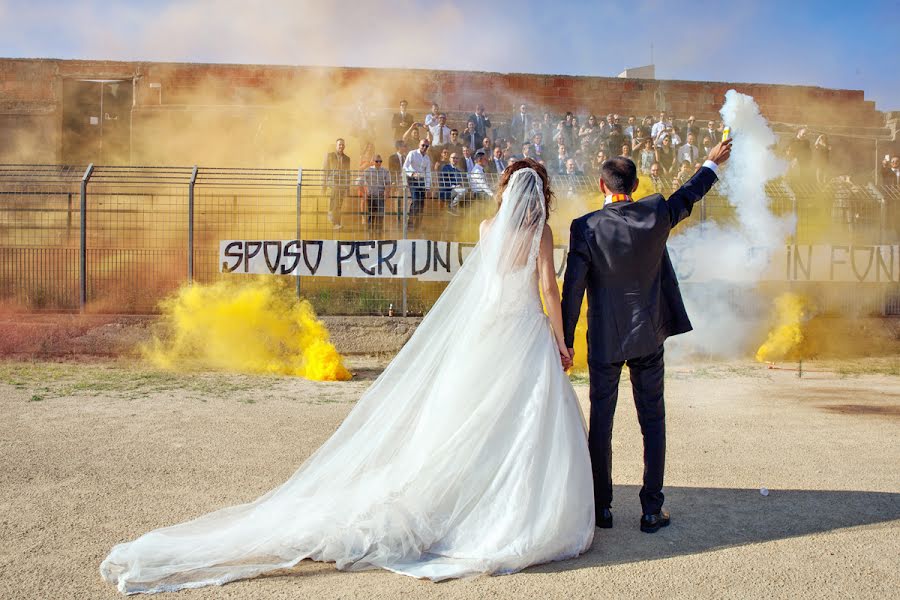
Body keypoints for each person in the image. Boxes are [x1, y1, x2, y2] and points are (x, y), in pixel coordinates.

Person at [100, 160, 594, 594]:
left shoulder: (489, 229)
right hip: (522, 330)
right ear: (540, 196)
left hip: (486, 332)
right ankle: (499, 502)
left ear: (505, 192)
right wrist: (560, 338)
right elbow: (548, 288)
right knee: (520, 418)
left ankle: (459, 495)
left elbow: (484, 284)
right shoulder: (541, 234)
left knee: (467, 418)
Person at [560, 139, 732, 535]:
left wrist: (566, 340)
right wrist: (711, 163)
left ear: (602, 187)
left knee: (601, 422)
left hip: (604, 339)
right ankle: (651, 511)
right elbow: (687, 196)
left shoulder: (585, 227)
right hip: (649, 337)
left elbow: (572, 289)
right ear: (635, 186)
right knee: (652, 420)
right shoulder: (655, 212)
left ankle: (601, 508)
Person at [403, 139, 432, 232]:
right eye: (423, 145)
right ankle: (410, 223)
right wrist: (412, 174)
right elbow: (405, 167)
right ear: (419, 145)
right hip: (412, 179)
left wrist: (428, 187)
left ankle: (417, 226)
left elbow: (428, 173)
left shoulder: (427, 158)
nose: (424, 147)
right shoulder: (412, 153)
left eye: (426, 146)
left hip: (422, 181)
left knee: (421, 204)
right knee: (415, 201)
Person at [322, 138, 351, 229]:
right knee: (336, 192)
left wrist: (348, 188)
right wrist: (324, 186)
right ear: (336, 146)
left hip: (342, 182)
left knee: (339, 203)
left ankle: (335, 221)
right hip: (332, 180)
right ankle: (333, 217)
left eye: (342, 145)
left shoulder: (347, 158)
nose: (341, 146)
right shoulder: (329, 156)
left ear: (344, 146)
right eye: (339, 145)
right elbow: (325, 171)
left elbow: (348, 173)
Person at [362, 155, 391, 235]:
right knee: (371, 214)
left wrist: (387, 194)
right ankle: (370, 232)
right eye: (377, 161)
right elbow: (360, 182)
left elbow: (388, 183)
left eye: (380, 161)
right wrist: (365, 193)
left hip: (380, 196)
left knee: (380, 214)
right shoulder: (367, 171)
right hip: (371, 195)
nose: (379, 163)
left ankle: (379, 232)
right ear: (372, 161)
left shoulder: (385, 171)